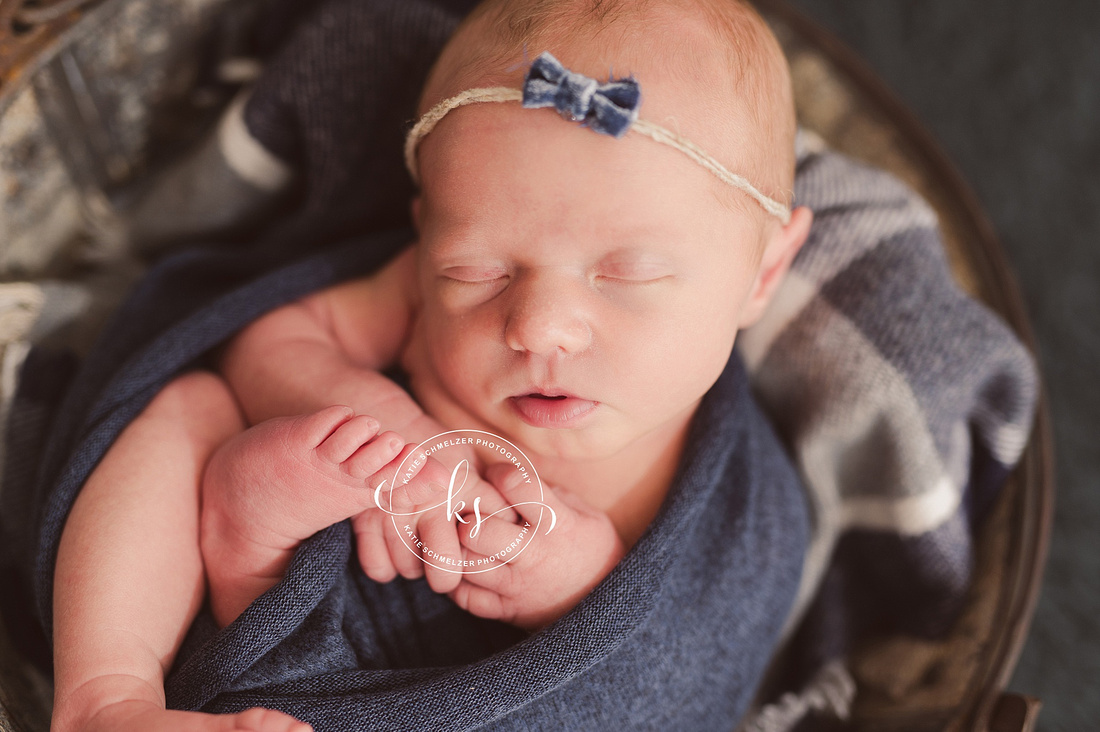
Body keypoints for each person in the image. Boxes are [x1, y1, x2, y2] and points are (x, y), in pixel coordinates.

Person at [48, 0, 813, 729]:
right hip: (305, 566)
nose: (537, 326)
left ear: (763, 273)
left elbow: (693, 643)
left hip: (405, 677)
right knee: (188, 405)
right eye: (475, 272)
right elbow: (268, 339)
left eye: (629, 274)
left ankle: (246, 541)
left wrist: (582, 589)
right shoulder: (407, 288)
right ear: (425, 237)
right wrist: (374, 420)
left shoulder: (747, 509)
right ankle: (108, 695)